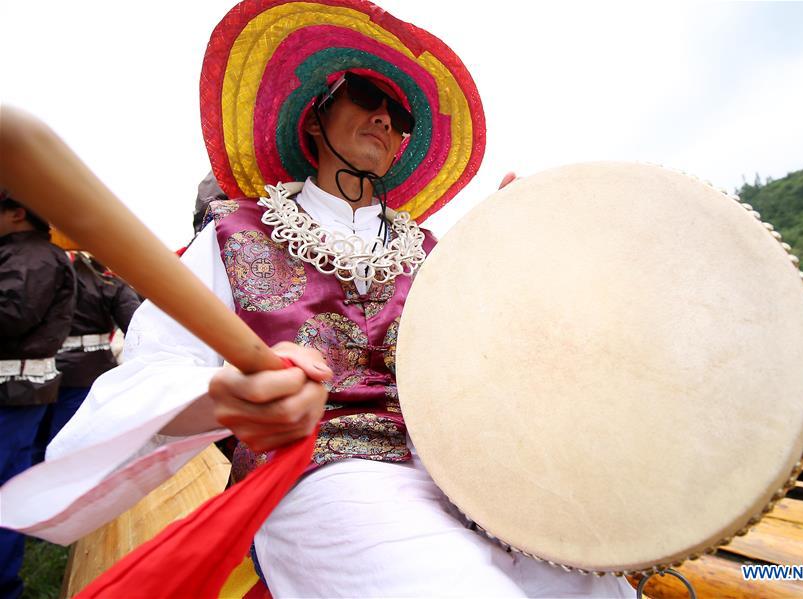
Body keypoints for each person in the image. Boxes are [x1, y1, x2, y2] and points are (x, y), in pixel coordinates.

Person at [1, 2, 631, 596]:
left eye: (402, 115)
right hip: (326, 473)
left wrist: (514, 255)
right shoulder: (233, 234)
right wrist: (222, 396)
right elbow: (150, 373)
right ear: (315, 115)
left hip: (473, 472)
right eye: (367, 95)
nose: (387, 118)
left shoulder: (436, 252)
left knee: (598, 583)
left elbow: (496, 366)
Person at [0, 193, 76, 598]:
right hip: (20, 387)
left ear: (16, 213)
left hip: (17, 389)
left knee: (11, 483)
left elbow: (11, 316)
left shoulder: (34, 256)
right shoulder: (22, 255)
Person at [31, 252, 141, 463]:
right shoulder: (107, 280)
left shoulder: (36, 270)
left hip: (32, 373)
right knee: (71, 442)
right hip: (88, 374)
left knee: (33, 443)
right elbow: (136, 328)